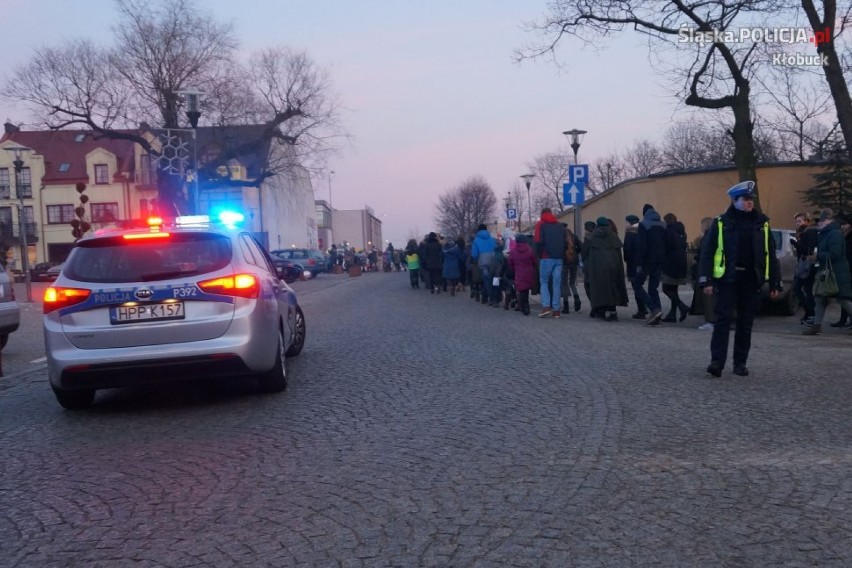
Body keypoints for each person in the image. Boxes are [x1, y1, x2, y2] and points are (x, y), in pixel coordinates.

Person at [698, 181, 782, 377]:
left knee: (745, 322)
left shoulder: (762, 223)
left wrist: (774, 282)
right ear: (734, 201)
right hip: (727, 278)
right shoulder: (721, 223)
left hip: (751, 279)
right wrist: (706, 280)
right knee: (722, 320)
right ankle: (717, 362)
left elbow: (770, 253)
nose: (749, 203)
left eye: (750, 200)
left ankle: (740, 363)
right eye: (745, 199)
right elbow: (708, 253)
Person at [802, 209, 852, 336]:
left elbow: (835, 254)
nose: (819, 223)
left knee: (843, 299)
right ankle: (817, 326)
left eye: (822, 221)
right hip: (828, 272)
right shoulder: (827, 233)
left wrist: (817, 256)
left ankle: (817, 326)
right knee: (820, 298)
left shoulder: (834, 234)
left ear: (829, 221)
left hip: (835, 273)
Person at [585, 216, 629, 321]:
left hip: (598, 268)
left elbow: (586, 252)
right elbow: (618, 253)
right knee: (613, 288)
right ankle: (613, 312)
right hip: (614, 266)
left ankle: (601, 311)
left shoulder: (593, 236)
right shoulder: (614, 236)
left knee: (600, 289)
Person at [634, 203, 667, 325]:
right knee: (653, 287)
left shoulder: (644, 224)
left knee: (637, 285)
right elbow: (666, 243)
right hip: (660, 260)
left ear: (644, 213)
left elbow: (642, 245)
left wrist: (639, 263)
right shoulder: (663, 225)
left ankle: (654, 309)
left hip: (647, 260)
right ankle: (657, 313)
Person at [534, 208, 567, 318]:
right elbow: (565, 241)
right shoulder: (559, 225)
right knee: (556, 284)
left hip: (546, 257)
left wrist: (539, 255)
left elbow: (537, 241)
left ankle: (546, 306)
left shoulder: (540, 224)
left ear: (542, 214)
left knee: (544, 281)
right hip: (559, 257)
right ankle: (556, 310)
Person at [661, 212, 690, 322]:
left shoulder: (668, 231)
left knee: (666, 288)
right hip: (681, 261)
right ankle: (672, 314)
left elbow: (666, 247)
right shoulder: (681, 231)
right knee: (673, 289)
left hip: (670, 262)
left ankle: (682, 306)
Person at [690, 217, 717, 331]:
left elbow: (705, 254)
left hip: (708, 272)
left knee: (708, 299)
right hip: (712, 271)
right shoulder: (710, 236)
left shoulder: (707, 237)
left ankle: (711, 321)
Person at [792, 212, 818, 327]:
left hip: (809, 265)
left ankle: (810, 313)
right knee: (801, 289)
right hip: (803, 264)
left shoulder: (810, 232)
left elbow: (809, 250)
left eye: (800, 221)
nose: (798, 224)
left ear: (807, 221)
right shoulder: (801, 233)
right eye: (797, 221)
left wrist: (796, 244)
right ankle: (809, 312)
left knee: (803, 289)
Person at [622, 214, 646, 319]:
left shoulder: (630, 233)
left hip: (633, 263)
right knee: (639, 285)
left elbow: (627, 249)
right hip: (642, 263)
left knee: (636, 287)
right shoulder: (643, 231)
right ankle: (643, 308)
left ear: (629, 222)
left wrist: (626, 259)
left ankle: (643, 308)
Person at [508, 233, 538, 315]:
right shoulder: (529, 250)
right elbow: (534, 261)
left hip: (519, 273)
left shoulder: (513, 252)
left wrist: (514, 269)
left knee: (521, 290)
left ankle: (524, 306)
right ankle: (526, 306)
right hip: (529, 273)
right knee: (526, 290)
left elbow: (510, 263)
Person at [471, 224, 497, 305]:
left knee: (486, 280)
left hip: (482, 262)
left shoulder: (476, 240)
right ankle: (494, 297)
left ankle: (490, 298)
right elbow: (496, 249)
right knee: (494, 280)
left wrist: (475, 260)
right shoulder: (492, 239)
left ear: (478, 231)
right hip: (493, 262)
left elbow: (474, 254)